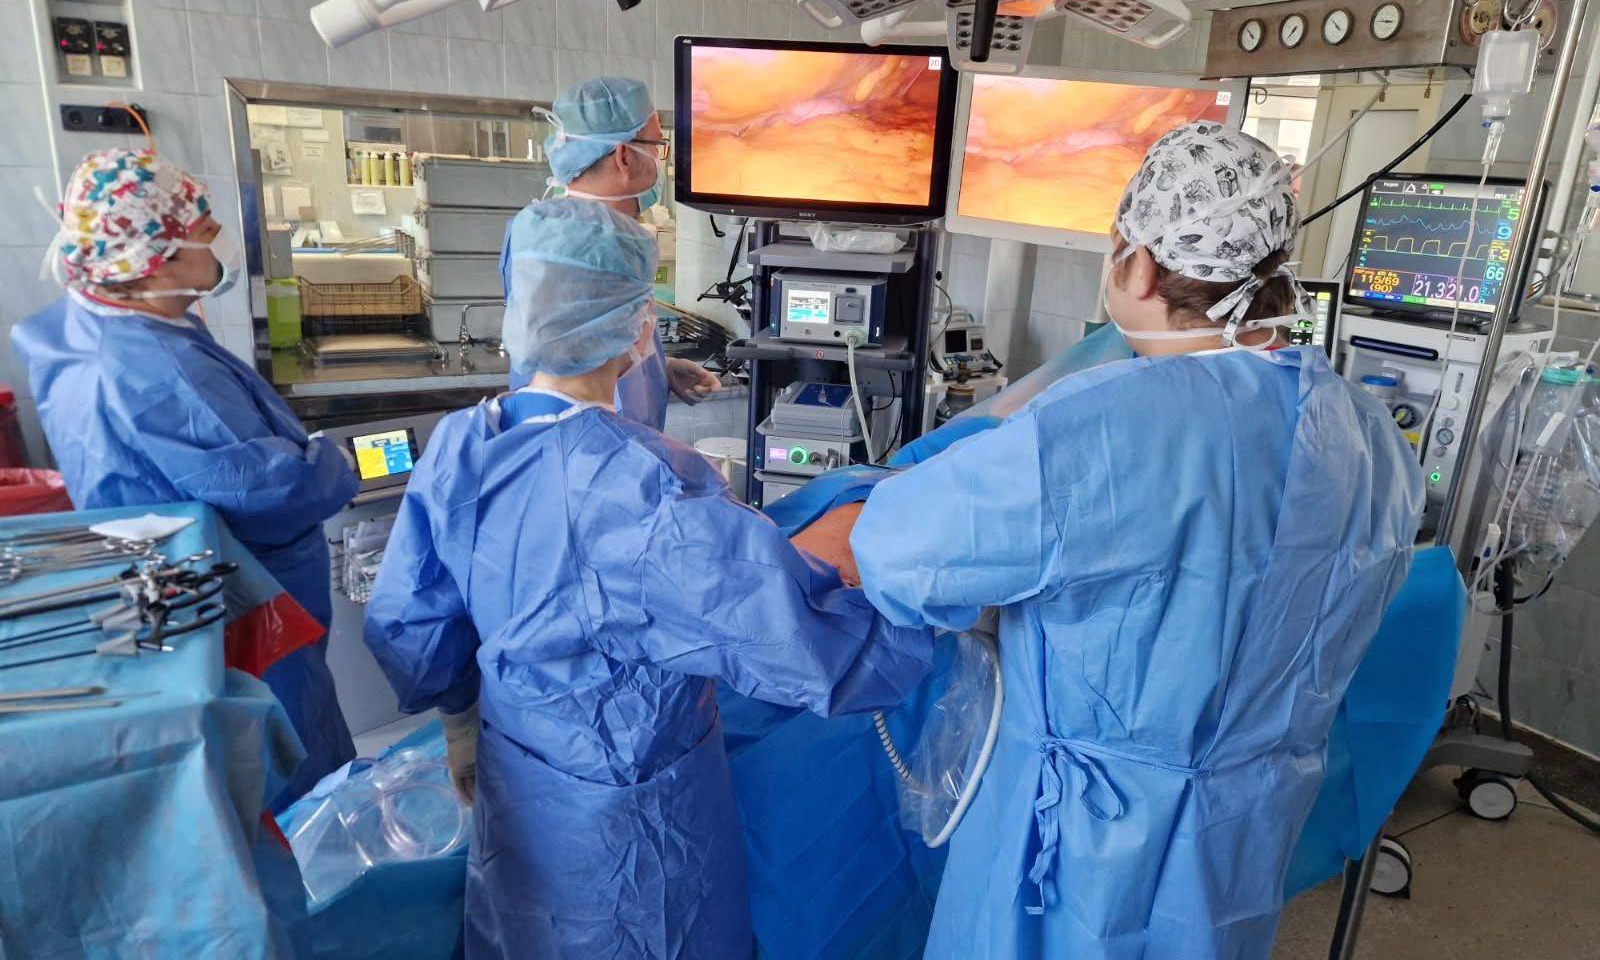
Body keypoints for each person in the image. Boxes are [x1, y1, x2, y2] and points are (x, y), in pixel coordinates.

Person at [837, 122, 1426, 959]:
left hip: (1081, 842)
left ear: (1138, 263)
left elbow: (898, 550)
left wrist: (1006, 446)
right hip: (1241, 831)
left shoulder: (1100, 425)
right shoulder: (1368, 435)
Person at [363, 198, 932, 960]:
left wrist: (460, 724)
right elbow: (802, 644)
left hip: (515, 777)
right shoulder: (644, 489)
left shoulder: (465, 440)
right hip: (627, 822)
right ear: (638, 325)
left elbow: (409, 619)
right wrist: (919, 594)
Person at [12, 148, 360, 806]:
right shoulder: (156, 371)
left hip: (155, 589)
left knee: (217, 763)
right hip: (231, 605)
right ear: (155, 259)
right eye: (204, 232)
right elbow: (272, 491)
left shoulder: (85, 323)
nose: (218, 241)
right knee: (285, 766)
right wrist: (330, 462)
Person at [499, 75, 720, 428]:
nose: (659, 157)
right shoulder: (569, 250)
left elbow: (600, 350)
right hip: (589, 444)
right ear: (624, 156)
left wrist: (658, 370)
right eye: (656, 145)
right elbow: (570, 377)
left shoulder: (611, 242)